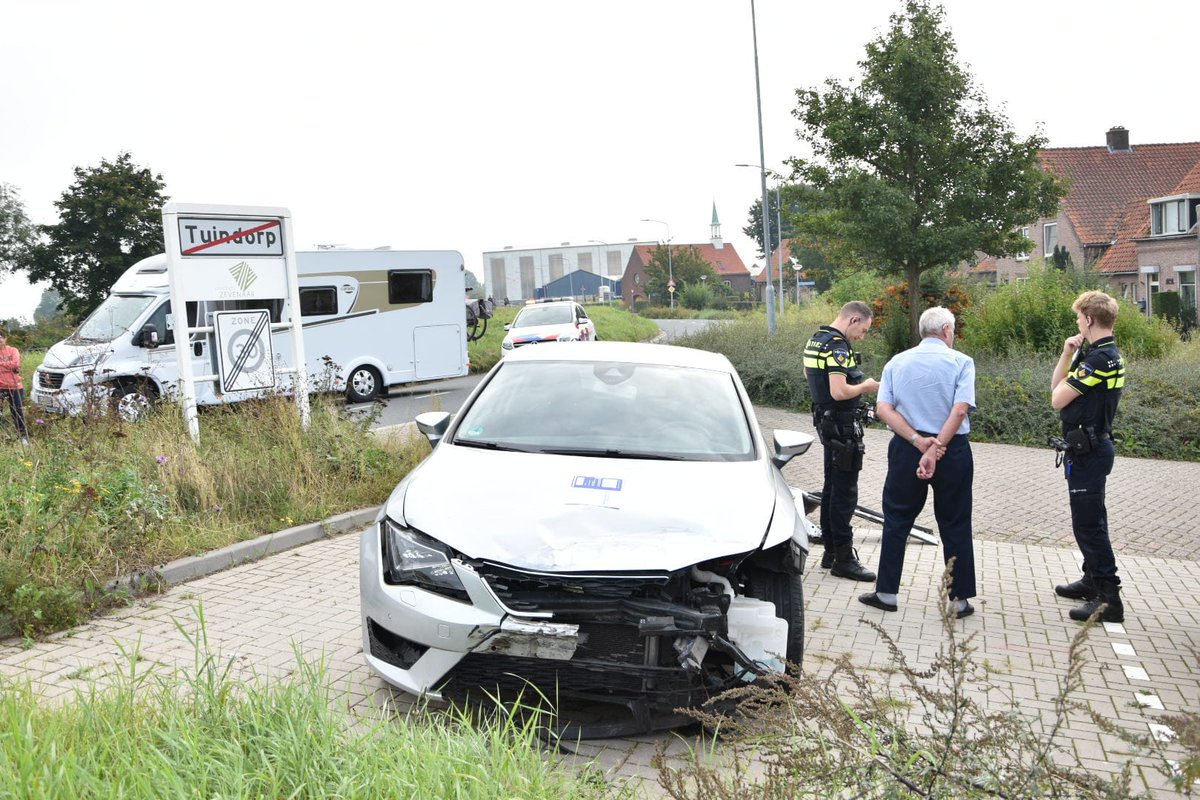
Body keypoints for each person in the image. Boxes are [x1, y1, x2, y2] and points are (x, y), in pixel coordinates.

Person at [859, 306, 977, 618]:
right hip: (951, 450)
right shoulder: (962, 362)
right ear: (947, 330)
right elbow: (960, 410)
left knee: (897, 518)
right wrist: (937, 447)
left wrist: (918, 442)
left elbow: (883, 409)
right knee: (955, 521)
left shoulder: (896, 362)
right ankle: (958, 601)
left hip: (906, 448)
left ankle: (886, 593)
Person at [1050, 290, 1126, 623]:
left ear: (1090, 319)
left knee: (1089, 525)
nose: (1078, 323)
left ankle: (1108, 598)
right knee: (1092, 520)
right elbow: (1058, 388)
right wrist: (1067, 353)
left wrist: (1073, 358)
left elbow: (1057, 399)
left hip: (1089, 451)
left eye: (1079, 318)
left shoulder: (1097, 360)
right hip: (1091, 448)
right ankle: (1091, 579)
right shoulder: (1105, 354)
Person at [803, 301, 880, 581]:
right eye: (864, 330)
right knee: (845, 492)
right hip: (842, 427)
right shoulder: (837, 346)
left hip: (826, 423)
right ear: (853, 319)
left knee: (832, 487)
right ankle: (844, 559)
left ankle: (831, 552)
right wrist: (866, 386)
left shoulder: (816, 340)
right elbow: (839, 391)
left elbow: (809, 375)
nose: (863, 336)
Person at [0, 329, 29, 444]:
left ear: (4, 338)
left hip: (15, 386)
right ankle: (3, 437)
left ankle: (23, 437)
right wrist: (9, 366)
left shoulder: (13, 350)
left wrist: (2, 364)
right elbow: (12, 366)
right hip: (0, 387)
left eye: (0, 338)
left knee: (17, 412)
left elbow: (16, 364)